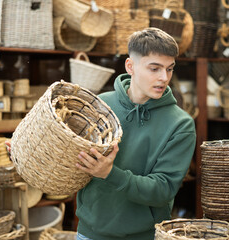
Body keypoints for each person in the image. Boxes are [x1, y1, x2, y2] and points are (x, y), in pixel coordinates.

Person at [74, 27, 196, 240]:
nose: (164, 77)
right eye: (155, 68)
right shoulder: (100, 104)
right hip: (88, 233)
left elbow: (163, 189)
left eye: (169, 69)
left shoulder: (181, 124)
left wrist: (110, 174)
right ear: (130, 66)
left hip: (143, 236)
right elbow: (73, 154)